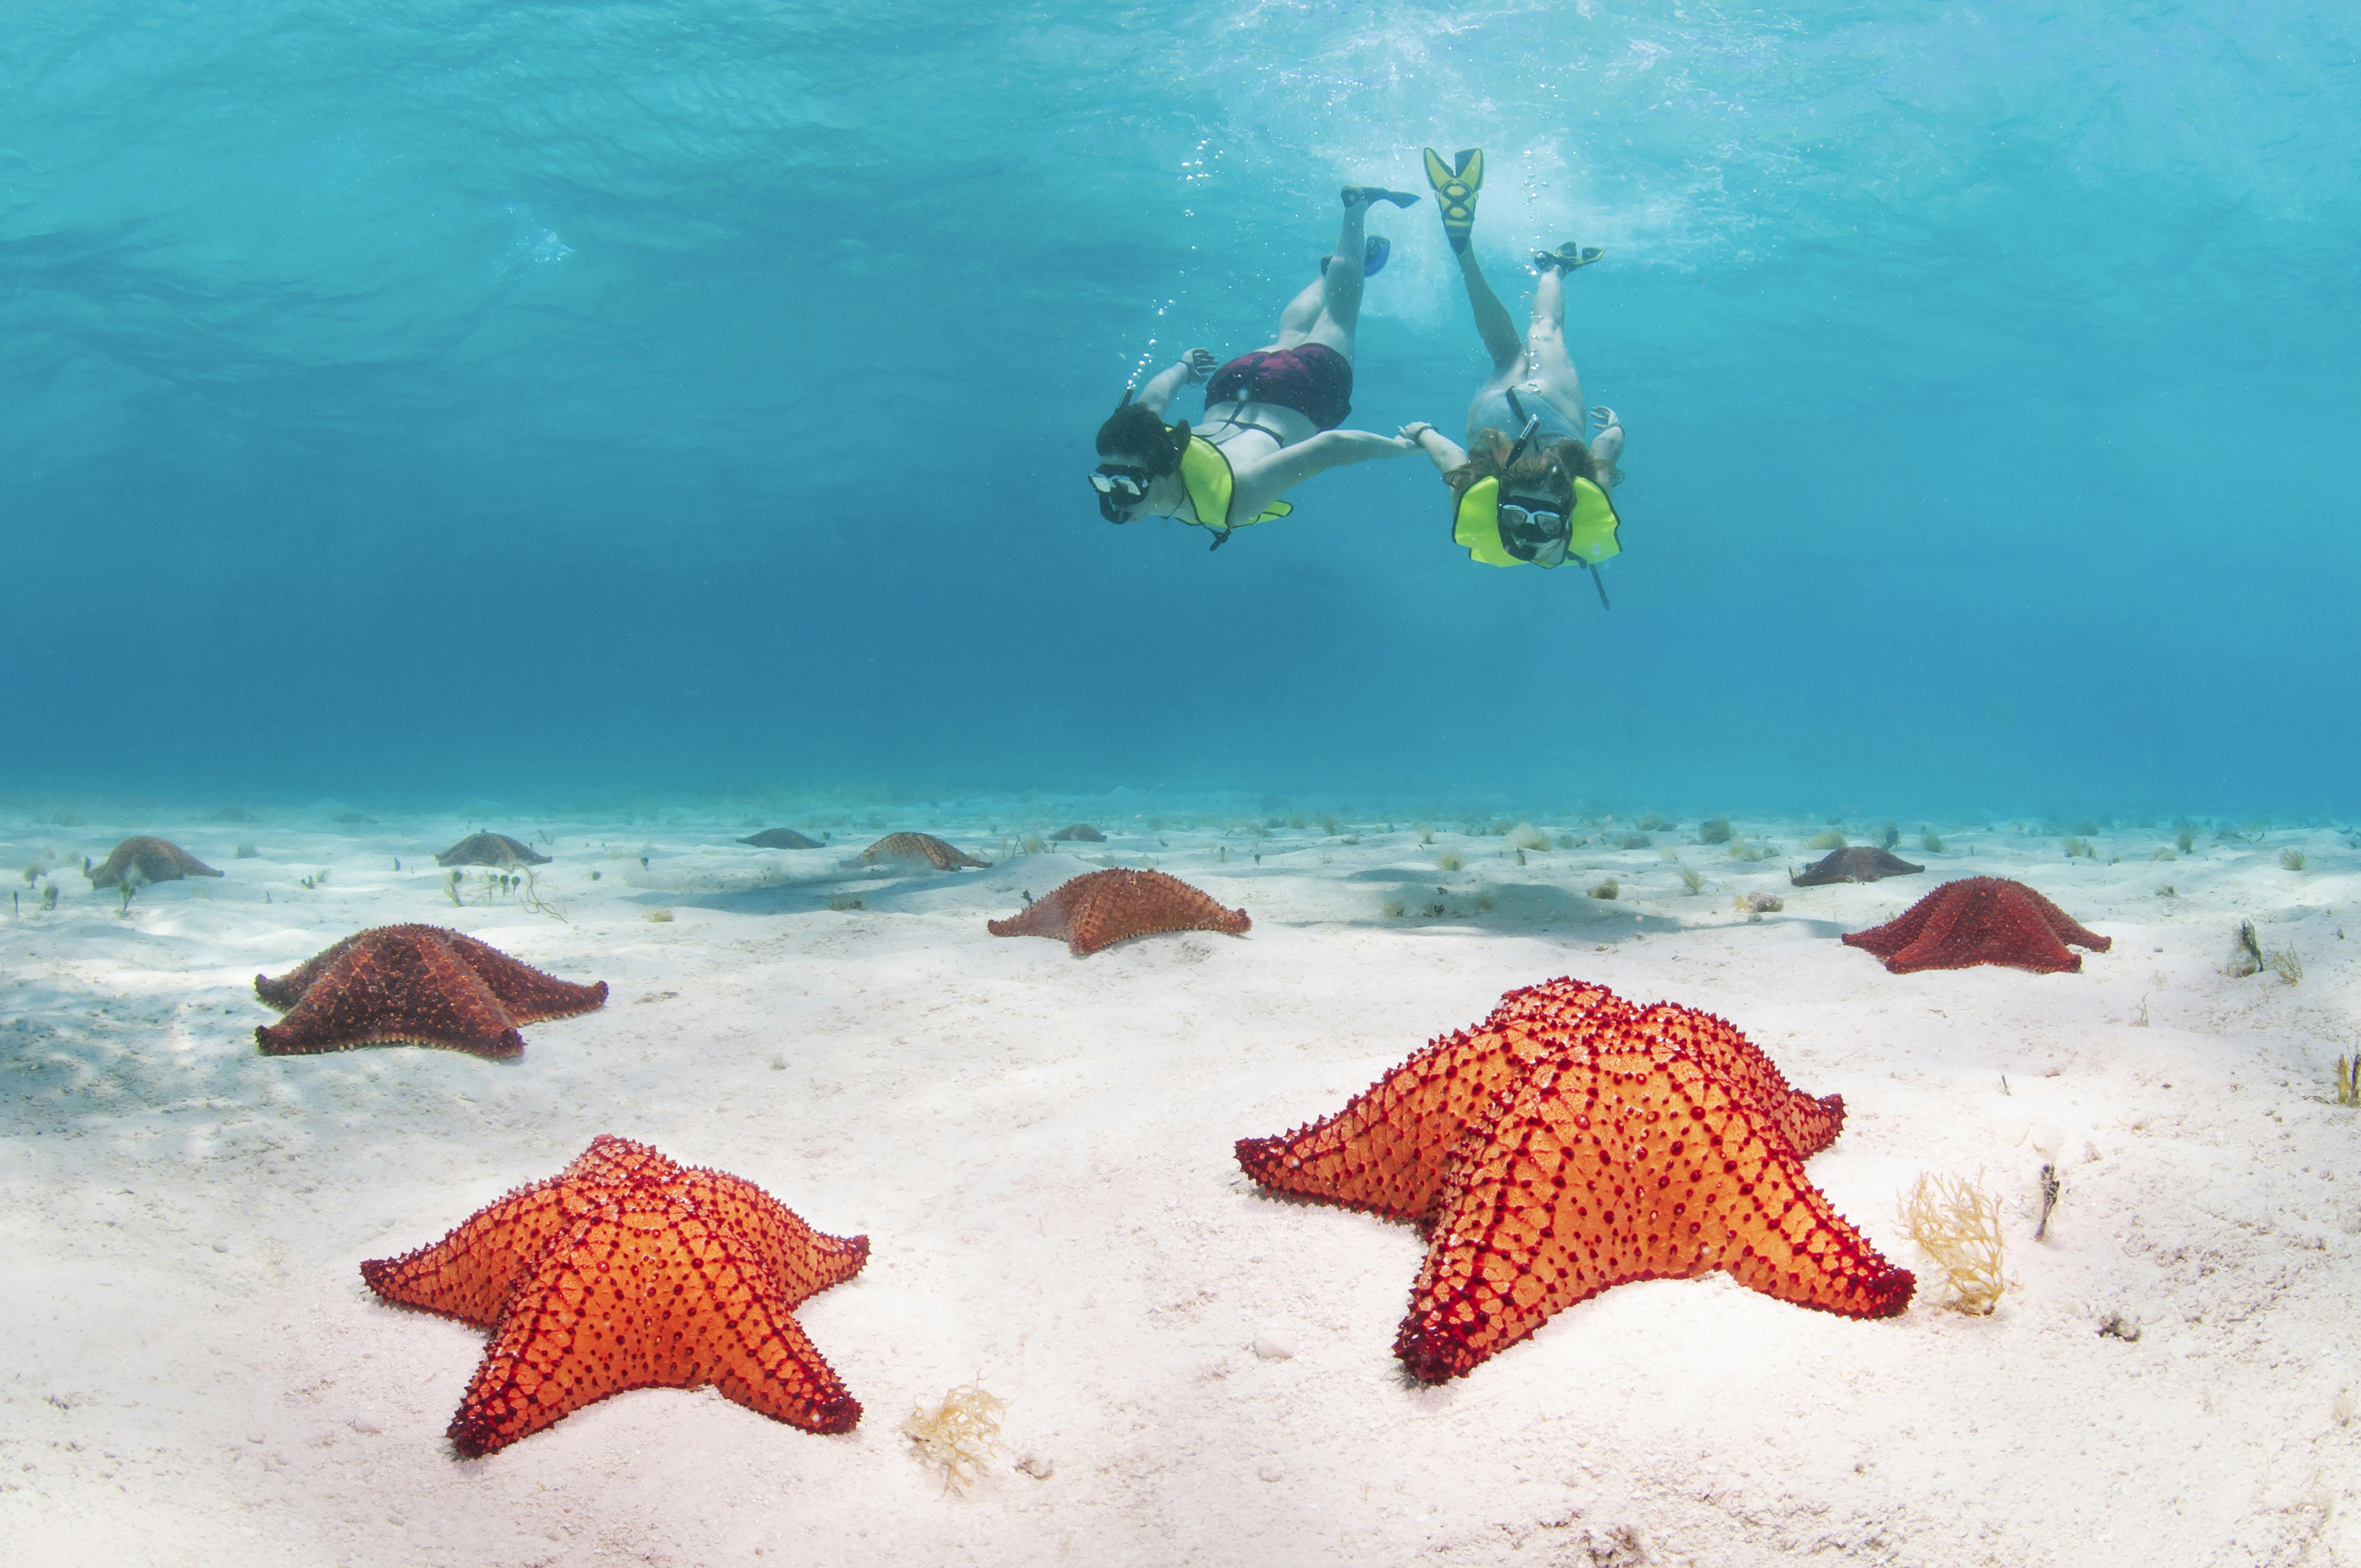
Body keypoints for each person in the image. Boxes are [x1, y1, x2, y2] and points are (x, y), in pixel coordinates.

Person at [1090, 186, 1426, 550]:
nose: (1116, 498)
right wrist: (1182, 367)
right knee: (1292, 333)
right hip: (1234, 382)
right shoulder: (1149, 440)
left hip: (1305, 394)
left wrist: (1401, 448)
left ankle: (1357, 207)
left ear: (1158, 472)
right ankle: (1328, 273)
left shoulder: (1234, 501)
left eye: (1125, 485)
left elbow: (1331, 447)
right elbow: (1149, 405)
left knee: (1339, 317)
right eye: (1105, 481)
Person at [1400, 148, 1629, 600]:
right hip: (1492, 416)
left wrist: (1617, 427)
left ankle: (1554, 269)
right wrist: (1422, 431)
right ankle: (1465, 255)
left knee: (1547, 331)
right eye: (1544, 523)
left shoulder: (1586, 503)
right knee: (1505, 355)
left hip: (1555, 410)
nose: (1534, 523)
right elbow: (1448, 460)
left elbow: (1607, 447)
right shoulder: (1475, 506)